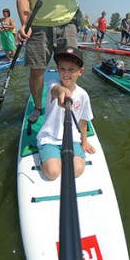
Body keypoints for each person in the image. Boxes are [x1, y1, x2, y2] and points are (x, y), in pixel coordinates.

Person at [36, 47, 94, 180]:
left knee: (77, 170)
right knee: (53, 173)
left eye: (71, 69)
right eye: (62, 69)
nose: (66, 73)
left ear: (81, 71)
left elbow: (83, 120)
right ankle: (45, 157)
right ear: (57, 69)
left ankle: (58, 157)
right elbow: (57, 90)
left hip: (72, 138)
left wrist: (84, 141)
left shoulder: (83, 95)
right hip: (49, 138)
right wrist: (63, 92)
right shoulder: (52, 84)